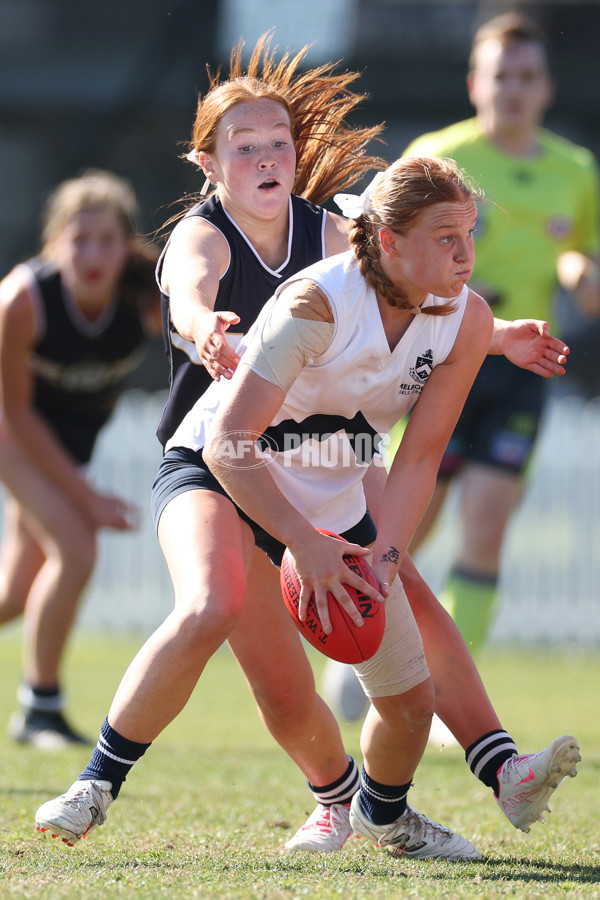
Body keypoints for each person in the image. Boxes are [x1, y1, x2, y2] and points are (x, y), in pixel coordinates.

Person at [35, 43, 578, 857]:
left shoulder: (342, 231)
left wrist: (493, 335)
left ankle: (428, 790)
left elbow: (420, 285)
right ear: (208, 163)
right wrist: (199, 324)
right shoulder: (208, 238)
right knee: (223, 617)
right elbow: (189, 287)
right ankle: (98, 783)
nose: (267, 158)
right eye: (244, 146)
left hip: (326, 459)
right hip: (225, 459)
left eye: (279, 143)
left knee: (407, 607)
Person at [401, 11, 600, 655]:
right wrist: (450, 292)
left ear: (546, 88)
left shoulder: (574, 171)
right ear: (474, 84)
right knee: (408, 528)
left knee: (486, 530)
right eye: (501, 75)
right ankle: (366, 657)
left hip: (523, 368)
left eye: (527, 76)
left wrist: (580, 272)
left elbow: (580, 249)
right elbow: (386, 255)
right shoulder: (439, 159)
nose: (513, 88)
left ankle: (447, 694)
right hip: (445, 359)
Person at [0, 169, 162, 748]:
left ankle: (38, 707)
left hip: (66, 446)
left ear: (127, 245)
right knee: (76, 547)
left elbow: (197, 348)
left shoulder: (146, 295)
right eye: (79, 239)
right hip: (12, 433)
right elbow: (16, 416)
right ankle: (39, 708)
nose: (93, 253)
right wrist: (87, 497)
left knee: (16, 595)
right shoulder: (24, 300)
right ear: (55, 243)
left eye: (107, 239)